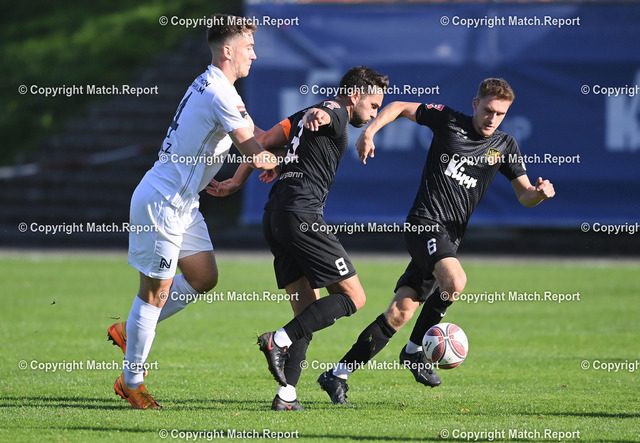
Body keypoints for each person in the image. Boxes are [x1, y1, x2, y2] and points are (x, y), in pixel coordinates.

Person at [317, 78, 556, 404]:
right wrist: (370, 131)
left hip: (448, 241)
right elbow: (399, 107)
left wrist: (539, 194)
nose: (492, 118)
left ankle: (337, 374)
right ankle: (414, 351)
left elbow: (525, 194)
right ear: (475, 104)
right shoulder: (448, 120)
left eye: (500, 114)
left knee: (399, 313)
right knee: (455, 281)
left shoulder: (504, 146)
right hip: (424, 224)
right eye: (488, 110)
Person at [106, 14, 278, 409]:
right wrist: (291, 161)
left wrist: (298, 130)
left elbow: (259, 136)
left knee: (203, 277)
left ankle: (128, 331)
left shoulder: (219, 88)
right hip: (162, 202)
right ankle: (132, 382)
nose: (254, 54)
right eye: (249, 47)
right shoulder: (219, 93)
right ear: (228, 51)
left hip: (184, 203)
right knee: (155, 293)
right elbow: (255, 151)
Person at [207, 66, 389, 410]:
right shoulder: (335, 111)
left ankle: (286, 395)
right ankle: (277, 339)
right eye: (373, 105)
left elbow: (263, 142)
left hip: (275, 216)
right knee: (354, 298)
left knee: (306, 311)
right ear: (354, 96)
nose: (373, 113)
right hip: (302, 217)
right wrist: (323, 113)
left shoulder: (304, 114)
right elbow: (328, 112)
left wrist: (236, 180)